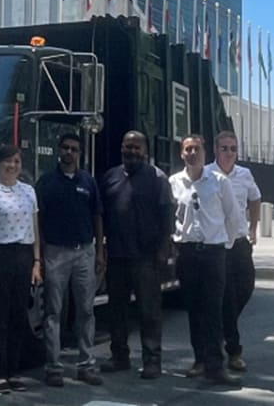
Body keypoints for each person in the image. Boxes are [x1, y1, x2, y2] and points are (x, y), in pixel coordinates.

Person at [169, 134, 243, 387]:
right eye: (187, 149)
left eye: (196, 149)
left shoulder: (219, 181)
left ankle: (215, 366)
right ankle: (199, 359)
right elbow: (172, 217)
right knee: (193, 309)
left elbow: (234, 218)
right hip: (188, 253)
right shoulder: (174, 182)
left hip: (213, 254)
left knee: (213, 310)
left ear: (205, 152)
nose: (192, 153)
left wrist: (225, 245)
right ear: (182, 154)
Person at [99, 130, 173, 380]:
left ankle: (152, 361)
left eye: (136, 147)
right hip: (117, 255)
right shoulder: (110, 177)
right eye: (127, 146)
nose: (131, 151)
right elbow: (102, 215)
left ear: (145, 151)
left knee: (149, 312)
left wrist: (163, 250)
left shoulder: (157, 178)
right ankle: (119, 356)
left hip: (146, 256)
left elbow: (166, 217)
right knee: (116, 310)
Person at [0, 144, 42, 394]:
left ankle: (15, 370)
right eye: (8, 161)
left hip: (23, 254)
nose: (12, 166)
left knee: (18, 315)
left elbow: (34, 229)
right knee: (0, 317)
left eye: (16, 162)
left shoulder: (29, 192)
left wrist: (37, 262)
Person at [36, 132, 104, 387]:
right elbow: (37, 220)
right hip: (55, 253)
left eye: (74, 149)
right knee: (53, 311)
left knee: (86, 311)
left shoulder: (88, 181)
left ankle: (86, 365)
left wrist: (99, 251)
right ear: (58, 150)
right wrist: (40, 254)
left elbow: (97, 216)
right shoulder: (46, 182)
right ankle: (53, 367)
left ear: (80, 153)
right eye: (65, 148)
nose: (69, 152)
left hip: (84, 251)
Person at [207, 130, 262, 372]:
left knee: (246, 286)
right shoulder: (207, 174)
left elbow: (255, 199)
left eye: (233, 149)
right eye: (224, 148)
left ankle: (221, 328)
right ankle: (234, 352)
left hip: (239, 242)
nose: (229, 153)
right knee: (227, 297)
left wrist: (253, 228)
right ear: (215, 150)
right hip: (218, 243)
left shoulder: (244, 174)